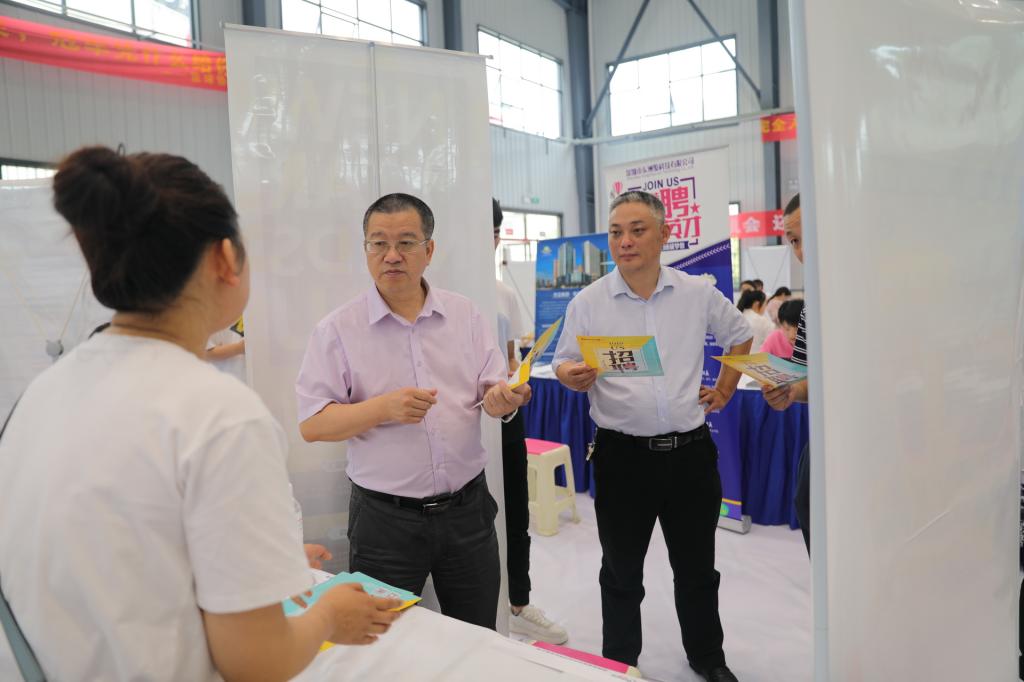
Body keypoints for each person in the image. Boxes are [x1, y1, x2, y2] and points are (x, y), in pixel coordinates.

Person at [0, 147, 401, 682]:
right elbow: (258, 661)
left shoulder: (43, 393)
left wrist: (262, 563)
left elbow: (118, 558)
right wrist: (331, 615)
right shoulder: (222, 417)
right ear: (225, 259)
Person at [296, 193, 530, 630]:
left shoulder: (465, 315)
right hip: (385, 522)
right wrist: (382, 408)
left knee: (478, 633)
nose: (391, 255)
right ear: (365, 249)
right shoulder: (337, 330)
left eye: (406, 242)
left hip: (467, 512)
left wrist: (502, 399)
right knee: (382, 640)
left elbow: (492, 385)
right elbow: (312, 425)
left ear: (429, 249)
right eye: (378, 243)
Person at [552, 191, 751, 682]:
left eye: (637, 230)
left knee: (697, 568)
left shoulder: (696, 293)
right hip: (622, 457)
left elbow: (739, 334)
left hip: (690, 456)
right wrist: (571, 374)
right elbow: (562, 361)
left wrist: (726, 389)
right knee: (621, 572)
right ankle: (620, 663)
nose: (625, 241)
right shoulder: (589, 301)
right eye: (616, 232)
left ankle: (708, 657)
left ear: (664, 234)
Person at [492, 198, 568, 643]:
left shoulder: (502, 294)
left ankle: (518, 603)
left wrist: (517, 382)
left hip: (505, 418)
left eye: (490, 232)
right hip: (456, 424)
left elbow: (510, 358)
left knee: (516, 511)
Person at [761, 194, 811, 554]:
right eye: (794, 241)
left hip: (888, 437)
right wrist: (791, 392)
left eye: (808, 236)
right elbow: (810, 379)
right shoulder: (810, 310)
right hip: (828, 437)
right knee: (807, 504)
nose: (802, 250)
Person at [737, 290, 773, 354]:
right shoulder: (761, 320)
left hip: (737, 357)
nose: (765, 307)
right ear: (757, 304)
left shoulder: (739, 317)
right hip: (757, 357)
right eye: (765, 304)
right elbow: (772, 341)